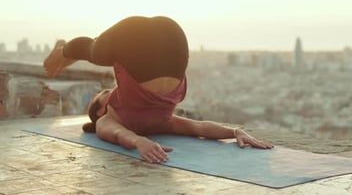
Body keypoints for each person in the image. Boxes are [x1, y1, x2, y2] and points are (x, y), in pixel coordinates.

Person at [43, 16, 273, 164]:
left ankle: (62, 53)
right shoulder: (119, 120)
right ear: (101, 110)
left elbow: (123, 134)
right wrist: (234, 132)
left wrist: (235, 133)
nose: (110, 91)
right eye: (105, 95)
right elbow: (198, 127)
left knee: (94, 51)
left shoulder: (132, 119)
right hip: (171, 40)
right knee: (94, 51)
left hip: (137, 39)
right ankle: (63, 55)